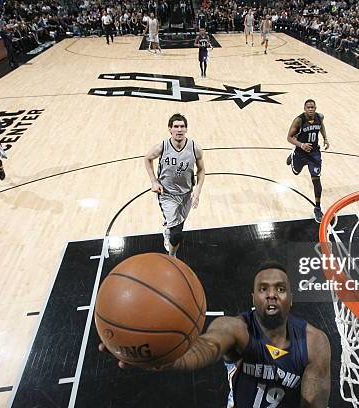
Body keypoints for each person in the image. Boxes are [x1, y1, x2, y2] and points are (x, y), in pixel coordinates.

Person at [99, 262, 332, 407]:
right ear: (253, 298)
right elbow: (206, 347)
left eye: (280, 289)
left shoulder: (315, 342)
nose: (271, 295)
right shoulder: (235, 328)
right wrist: (165, 359)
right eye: (263, 289)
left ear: (291, 298)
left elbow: (314, 403)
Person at [144, 113, 205, 257]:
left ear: (186, 129)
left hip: (186, 194)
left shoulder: (195, 148)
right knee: (177, 233)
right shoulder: (163, 146)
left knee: (179, 225)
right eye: (176, 126)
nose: (179, 130)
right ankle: (172, 257)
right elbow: (147, 159)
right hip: (167, 194)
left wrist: (198, 191)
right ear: (170, 129)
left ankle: (168, 230)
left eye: (182, 126)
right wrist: (153, 181)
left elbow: (202, 170)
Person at [285, 100, 329, 222]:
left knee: (316, 180)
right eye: (308, 107)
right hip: (300, 153)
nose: (310, 109)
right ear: (304, 108)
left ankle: (317, 208)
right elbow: (289, 137)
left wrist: (325, 138)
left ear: (316, 108)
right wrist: (301, 145)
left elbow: (322, 127)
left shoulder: (319, 117)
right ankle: (292, 155)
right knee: (296, 172)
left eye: (312, 107)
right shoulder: (299, 120)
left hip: (314, 154)